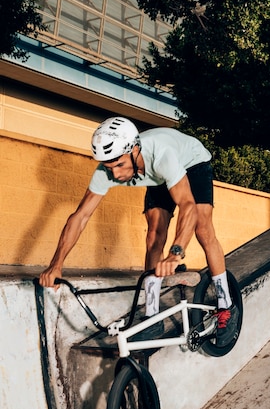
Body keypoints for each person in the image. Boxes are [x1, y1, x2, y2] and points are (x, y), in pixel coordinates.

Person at [39, 116, 238, 342]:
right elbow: (80, 216)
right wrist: (56, 265)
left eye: (120, 165)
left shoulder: (162, 155)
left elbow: (188, 206)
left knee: (202, 227)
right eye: (109, 167)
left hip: (192, 163)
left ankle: (226, 305)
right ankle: (152, 317)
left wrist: (175, 254)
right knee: (154, 235)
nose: (115, 175)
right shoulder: (108, 170)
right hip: (156, 178)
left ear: (134, 150)